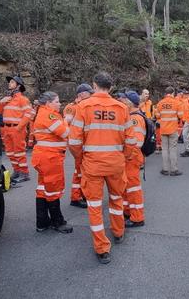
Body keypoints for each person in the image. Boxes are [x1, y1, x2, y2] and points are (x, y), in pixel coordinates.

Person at [68, 72, 136, 264]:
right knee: (116, 199)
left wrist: (81, 159)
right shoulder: (122, 108)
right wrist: (123, 157)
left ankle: (102, 248)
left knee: (95, 206)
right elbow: (131, 140)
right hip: (115, 163)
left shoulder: (83, 107)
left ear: (94, 85)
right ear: (111, 87)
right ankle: (118, 232)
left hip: (92, 165)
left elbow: (73, 141)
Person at [31, 91, 74, 233]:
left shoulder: (44, 113)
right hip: (50, 158)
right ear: (48, 103)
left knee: (43, 189)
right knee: (53, 190)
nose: (60, 103)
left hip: (44, 157)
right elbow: (65, 133)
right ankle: (58, 222)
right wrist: (67, 120)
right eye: (57, 101)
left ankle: (42, 222)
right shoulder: (49, 115)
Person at [0, 75, 33, 183]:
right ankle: (17, 171)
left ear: (18, 85)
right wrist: (2, 101)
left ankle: (24, 173)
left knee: (19, 152)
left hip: (16, 129)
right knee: (10, 153)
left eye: (12, 82)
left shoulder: (23, 99)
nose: (9, 84)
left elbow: (28, 114)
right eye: (10, 82)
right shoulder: (7, 99)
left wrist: (19, 127)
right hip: (6, 129)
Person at [63, 83, 94, 209]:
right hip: (77, 143)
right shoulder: (72, 107)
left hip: (84, 143)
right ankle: (76, 197)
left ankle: (82, 194)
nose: (91, 94)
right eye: (89, 93)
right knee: (79, 171)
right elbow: (67, 121)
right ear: (81, 94)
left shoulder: (87, 106)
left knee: (84, 171)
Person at [118, 91, 146, 228]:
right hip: (129, 157)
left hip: (132, 157)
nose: (121, 102)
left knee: (133, 188)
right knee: (126, 187)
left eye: (123, 100)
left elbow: (137, 142)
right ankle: (128, 212)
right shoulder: (131, 116)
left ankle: (137, 217)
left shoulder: (135, 119)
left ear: (129, 102)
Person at [155, 87, 184, 176]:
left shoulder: (160, 103)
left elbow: (157, 115)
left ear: (166, 93)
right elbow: (180, 115)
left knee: (164, 149)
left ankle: (165, 169)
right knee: (172, 149)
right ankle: (174, 170)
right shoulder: (177, 103)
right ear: (172, 93)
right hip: (173, 129)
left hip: (163, 129)